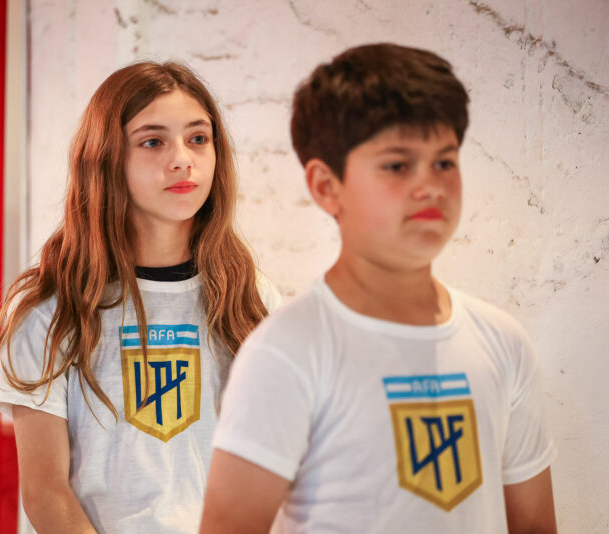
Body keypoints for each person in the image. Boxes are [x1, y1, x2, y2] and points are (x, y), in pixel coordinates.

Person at [200, 43, 557, 533]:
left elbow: (534, 526)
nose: (430, 186)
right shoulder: (286, 352)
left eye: (444, 163)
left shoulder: (503, 342)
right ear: (326, 187)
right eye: (397, 165)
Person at [0, 61, 280, 533]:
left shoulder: (252, 298)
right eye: (153, 141)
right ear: (106, 158)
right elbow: (46, 492)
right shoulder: (50, 310)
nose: (182, 159)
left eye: (198, 138)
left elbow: (271, 469)